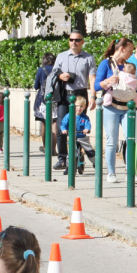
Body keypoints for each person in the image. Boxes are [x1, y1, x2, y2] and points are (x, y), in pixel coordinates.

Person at [95, 37, 137, 183]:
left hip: (128, 107)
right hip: (111, 107)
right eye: (130, 51)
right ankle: (111, 173)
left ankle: (131, 171)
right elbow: (96, 86)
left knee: (131, 139)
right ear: (122, 49)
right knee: (112, 141)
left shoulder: (129, 66)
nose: (131, 54)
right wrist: (108, 81)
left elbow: (136, 86)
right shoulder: (105, 64)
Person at [53, 31, 96, 171]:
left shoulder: (88, 58)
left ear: (82, 42)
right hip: (65, 94)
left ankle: (79, 154)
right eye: (71, 39)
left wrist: (93, 96)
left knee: (79, 127)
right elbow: (53, 73)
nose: (74, 42)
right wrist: (61, 76)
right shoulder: (61, 56)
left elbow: (92, 79)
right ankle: (62, 159)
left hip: (80, 94)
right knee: (62, 127)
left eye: (77, 40)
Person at [60, 96, 95, 166]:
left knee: (89, 151)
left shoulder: (85, 117)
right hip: (72, 136)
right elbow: (63, 124)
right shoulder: (69, 116)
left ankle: (95, 163)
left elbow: (87, 124)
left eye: (81, 106)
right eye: (77, 106)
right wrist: (63, 129)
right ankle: (68, 167)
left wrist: (87, 129)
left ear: (84, 107)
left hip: (82, 137)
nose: (79, 108)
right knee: (70, 153)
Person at [33, 52, 56, 128]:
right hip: (55, 98)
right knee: (54, 121)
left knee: (43, 122)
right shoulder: (57, 69)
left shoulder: (41, 70)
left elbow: (36, 86)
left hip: (43, 99)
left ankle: (44, 140)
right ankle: (54, 140)